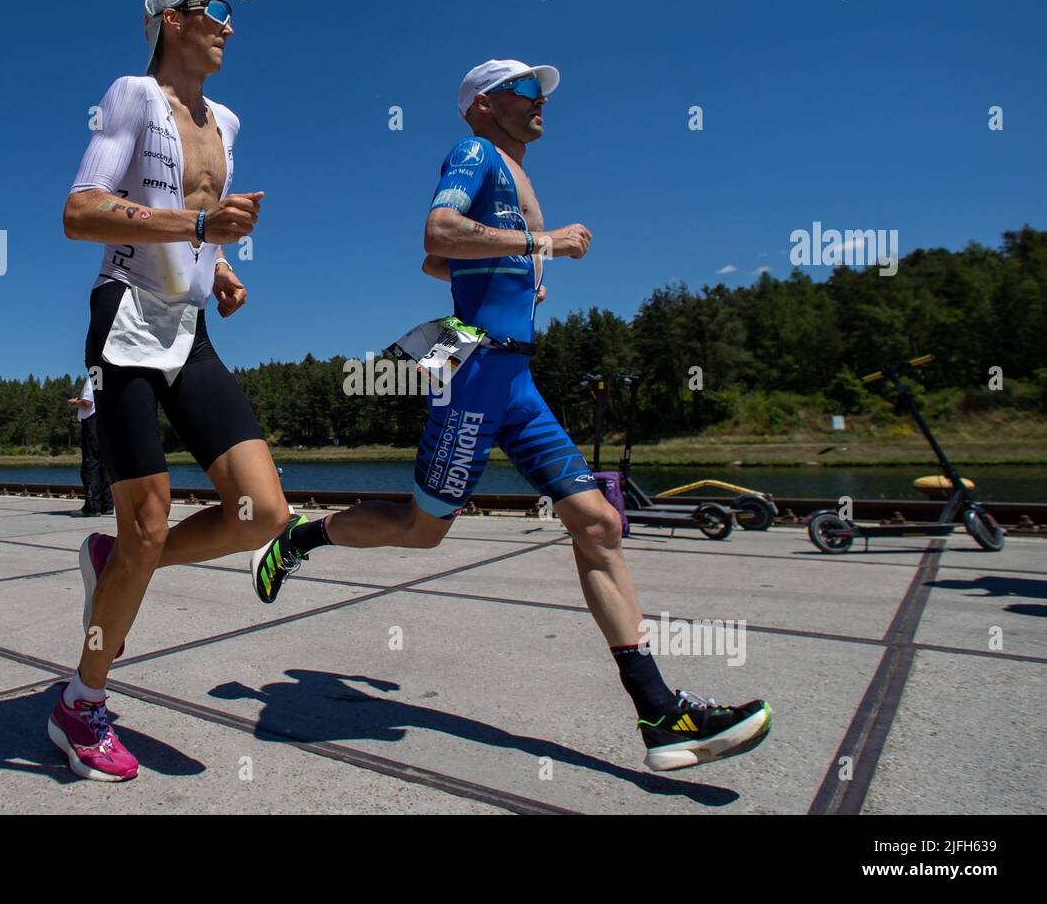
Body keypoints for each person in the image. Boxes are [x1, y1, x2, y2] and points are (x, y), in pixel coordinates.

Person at [251, 59, 772, 772]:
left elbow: (444, 266)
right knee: (421, 532)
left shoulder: (519, 174)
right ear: (484, 104)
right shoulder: (473, 153)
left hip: (517, 380)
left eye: (543, 92)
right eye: (526, 91)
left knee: (597, 523)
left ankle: (660, 714)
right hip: (472, 377)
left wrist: (515, 268)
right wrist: (540, 244)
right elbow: (438, 233)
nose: (541, 103)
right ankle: (302, 538)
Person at [51, 0, 289, 782]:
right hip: (125, 320)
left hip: (186, 329)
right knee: (147, 524)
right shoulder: (130, 96)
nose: (229, 23)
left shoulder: (225, 119)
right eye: (213, 10)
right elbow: (81, 211)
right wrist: (196, 223)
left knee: (263, 512)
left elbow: (200, 222)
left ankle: (120, 564)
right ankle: (80, 704)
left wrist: (215, 266)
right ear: (166, 22)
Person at [67, 376, 113, 516]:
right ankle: (107, 505)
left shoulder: (94, 377)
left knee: (90, 464)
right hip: (104, 422)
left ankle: (92, 506)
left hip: (91, 424)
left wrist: (75, 402)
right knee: (103, 464)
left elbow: (87, 403)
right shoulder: (108, 378)